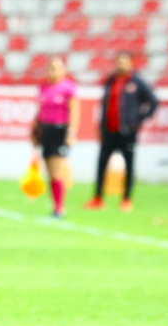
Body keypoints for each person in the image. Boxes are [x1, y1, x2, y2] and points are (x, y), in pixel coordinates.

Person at [83, 51, 159, 212]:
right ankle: (98, 198)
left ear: (130, 64)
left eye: (124, 62)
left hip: (127, 131)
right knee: (101, 164)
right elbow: (106, 104)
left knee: (129, 165)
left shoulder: (136, 83)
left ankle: (126, 199)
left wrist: (138, 120)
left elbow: (153, 102)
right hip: (109, 130)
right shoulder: (110, 82)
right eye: (119, 61)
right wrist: (101, 124)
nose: (121, 65)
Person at [31, 56, 79, 219]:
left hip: (60, 129)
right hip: (46, 129)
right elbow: (40, 110)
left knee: (57, 168)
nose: (53, 71)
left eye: (57, 68)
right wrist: (35, 129)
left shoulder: (68, 88)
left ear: (63, 70)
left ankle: (60, 208)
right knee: (50, 170)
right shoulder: (44, 87)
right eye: (50, 68)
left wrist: (71, 133)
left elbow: (74, 112)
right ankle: (55, 206)